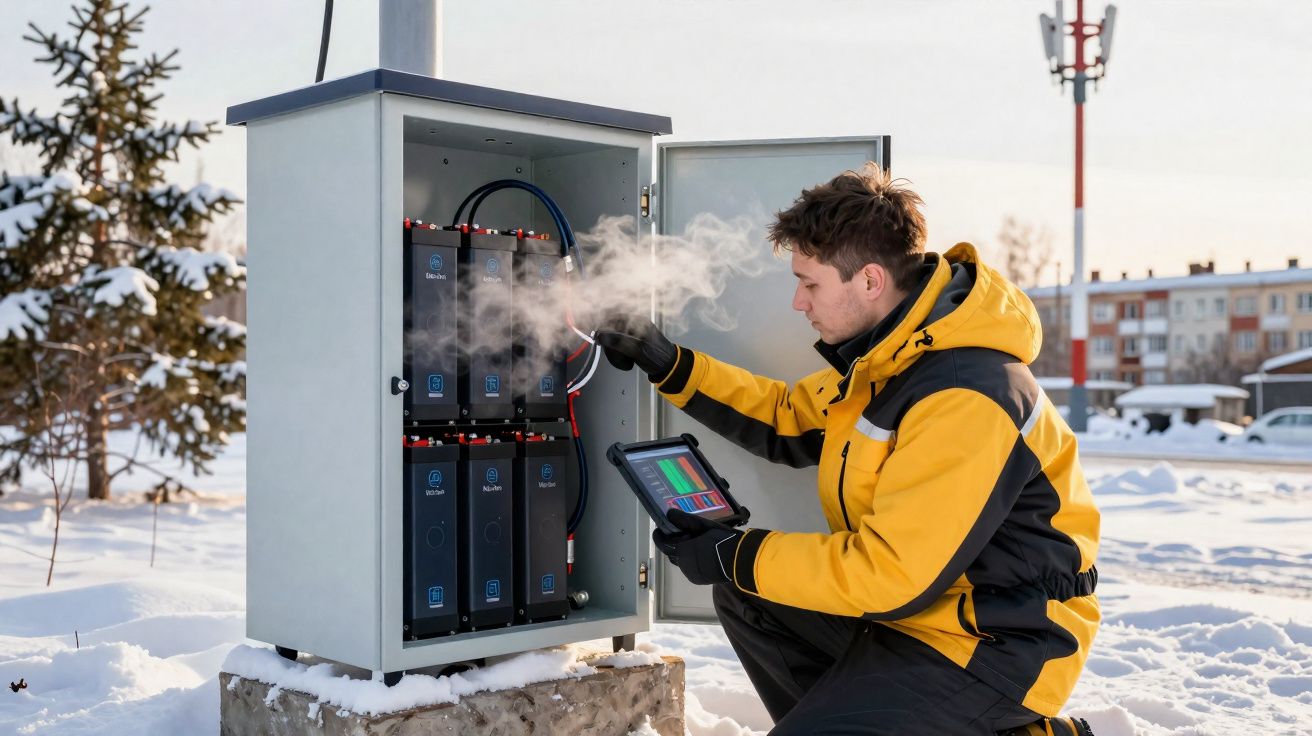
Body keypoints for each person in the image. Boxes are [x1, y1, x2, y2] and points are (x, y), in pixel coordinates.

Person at [595, 164, 1100, 736]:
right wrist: (667, 361)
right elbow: (787, 418)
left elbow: (890, 575)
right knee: (749, 594)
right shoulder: (891, 361)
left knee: (747, 574)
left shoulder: (965, 393)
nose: (797, 302)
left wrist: (736, 552)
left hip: (996, 642)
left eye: (810, 284)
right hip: (921, 618)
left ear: (869, 281)